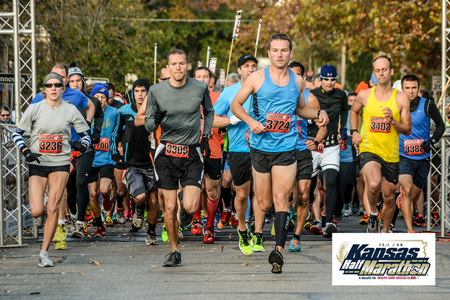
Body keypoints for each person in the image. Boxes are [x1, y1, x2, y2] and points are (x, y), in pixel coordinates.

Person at [231, 34, 328, 273]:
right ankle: (263, 229)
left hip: (286, 147)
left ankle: (279, 251)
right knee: (264, 202)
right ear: (270, 52)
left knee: (281, 197)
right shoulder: (257, 78)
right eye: (275, 50)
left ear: (290, 53)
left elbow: (300, 109)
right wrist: (251, 121)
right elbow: (236, 105)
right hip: (261, 148)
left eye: (284, 50)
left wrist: (317, 114)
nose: (279, 54)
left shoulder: (297, 81)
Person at [138, 49, 214, 267]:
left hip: (191, 151)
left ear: (187, 65)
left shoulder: (199, 87)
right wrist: (157, 119)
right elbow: (148, 124)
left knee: (189, 206)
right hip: (166, 152)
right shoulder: (156, 90)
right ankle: (174, 250)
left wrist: (206, 131)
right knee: (169, 207)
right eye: (174, 64)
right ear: (168, 67)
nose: (178, 67)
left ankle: (186, 209)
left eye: (182, 63)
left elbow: (209, 111)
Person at [12, 72, 91, 267]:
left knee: (54, 206)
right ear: (44, 89)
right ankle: (47, 205)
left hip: (60, 162)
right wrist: (25, 150)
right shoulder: (35, 108)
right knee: (38, 211)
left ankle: (44, 253)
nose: (53, 88)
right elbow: (17, 134)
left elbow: (87, 135)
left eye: (57, 85)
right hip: (38, 163)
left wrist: (81, 145)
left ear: (63, 89)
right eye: (49, 85)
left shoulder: (70, 109)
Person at [350, 51, 411, 233]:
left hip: (391, 154)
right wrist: (354, 132)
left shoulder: (400, 98)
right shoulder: (365, 95)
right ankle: (373, 214)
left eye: (384, 70)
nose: (381, 73)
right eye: (377, 70)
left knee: (389, 197)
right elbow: (354, 112)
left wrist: (393, 121)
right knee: (374, 183)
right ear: (374, 73)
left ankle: (384, 232)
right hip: (370, 149)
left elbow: (407, 128)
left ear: (392, 72)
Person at [214, 54, 266, 254]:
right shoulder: (229, 92)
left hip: (262, 148)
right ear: (240, 70)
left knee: (261, 194)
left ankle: (259, 233)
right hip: (238, 150)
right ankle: (242, 228)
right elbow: (213, 120)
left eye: (254, 65)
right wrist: (230, 121)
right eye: (246, 66)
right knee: (242, 194)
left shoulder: (264, 90)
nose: (251, 69)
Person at [112, 79, 160, 245]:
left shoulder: (155, 110)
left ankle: (152, 232)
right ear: (133, 93)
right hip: (132, 163)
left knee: (154, 200)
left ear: (149, 93)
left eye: (143, 91)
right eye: (137, 91)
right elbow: (116, 134)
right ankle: (139, 209)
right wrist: (116, 152)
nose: (140, 95)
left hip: (153, 163)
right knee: (140, 197)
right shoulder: (124, 111)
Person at [397, 74, 444, 233]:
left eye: (414, 88)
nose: (410, 92)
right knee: (408, 190)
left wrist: (431, 142)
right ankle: (410, 230)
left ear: (418, 88)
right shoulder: (396, 105)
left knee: (413, 195)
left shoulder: (428, 105)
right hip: (403, 156)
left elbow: (440, 126)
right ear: (402, 89)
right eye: (407, 88)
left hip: (423, 157)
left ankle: (402, 201)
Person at [287, 62, 326, 252]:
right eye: (290, 74)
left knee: (304, 194)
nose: (293, 79)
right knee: (282, 194)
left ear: (303, 78)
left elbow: (323, 127)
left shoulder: (311, 99)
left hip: (302, 150)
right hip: (281, 151)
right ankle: (285, 215)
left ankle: (296, 236)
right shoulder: (276, 95)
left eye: (297, 75)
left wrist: (316, 141)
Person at [309, 64, 348, 238]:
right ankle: (309, 217)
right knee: (307, 189)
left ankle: (329, 222)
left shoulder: (341, 95)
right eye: (327, 79)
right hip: (312, 145)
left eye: (333, 79)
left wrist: (344, 128)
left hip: (331, 145)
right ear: (321, 79)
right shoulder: (312, 95)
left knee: (331, 181)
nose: (330, 83)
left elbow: (345, 111)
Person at [193, 66, 222, 243]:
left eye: (206, 77)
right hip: (192, 149)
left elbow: (227, 119)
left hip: (213, 150)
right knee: (195, 188)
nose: (203, 79)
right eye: (198, 76)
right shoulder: (187, 97)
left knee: (212, 190)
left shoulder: (219, 98)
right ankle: (196, 221)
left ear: (211, 80)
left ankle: (209, 226)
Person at [87, 83, 120, 236]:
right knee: (93, 194)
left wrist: (116, 148)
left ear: (107, 99)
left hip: (107, 158)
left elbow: (117, 132)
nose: (100, 100)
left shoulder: (114, 113)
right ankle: (100, 226)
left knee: (104, 189)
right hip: (90, 157)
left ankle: (108, 197)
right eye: (97, 97)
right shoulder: (87, 111)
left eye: (103, 97)